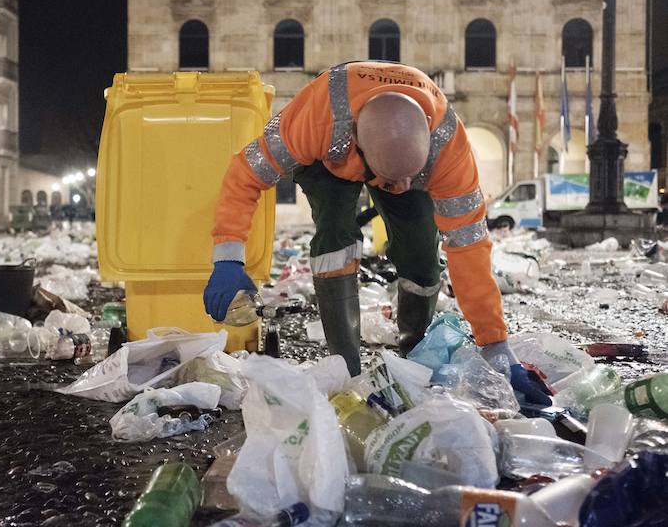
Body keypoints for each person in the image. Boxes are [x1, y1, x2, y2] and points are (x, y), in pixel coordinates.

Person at [202, 61, 550, 404]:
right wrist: (228, 258)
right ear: (354, 141)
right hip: (328, 163)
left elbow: (469, 245)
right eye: (389, 180)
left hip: (398, 157)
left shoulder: (448, 150)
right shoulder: (315, 119)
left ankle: (416, 350)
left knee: (423, 252)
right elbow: (245, 173)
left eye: (407, 178)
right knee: (334, 240)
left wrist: (495, 343)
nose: (398, 187)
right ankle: (346, 370)